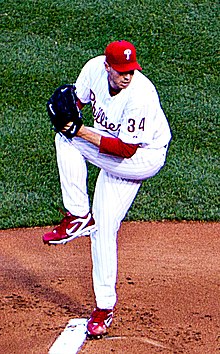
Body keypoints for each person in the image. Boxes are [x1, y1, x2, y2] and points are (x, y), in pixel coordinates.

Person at [43, 40, 172, 337]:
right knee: (103, 228)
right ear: (107, 66)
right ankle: (104, 307)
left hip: (143, 156)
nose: (127, 76)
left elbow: (125, 150)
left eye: (131, 70)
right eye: (121, 71)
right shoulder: (93, 69)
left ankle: (76, 215)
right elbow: (76, 102)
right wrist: (71, 111)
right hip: (112, 140)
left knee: (68, 138)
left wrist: (78, 129)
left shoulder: (140, 95)